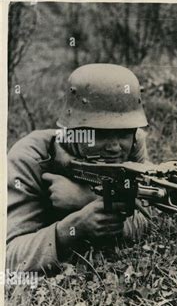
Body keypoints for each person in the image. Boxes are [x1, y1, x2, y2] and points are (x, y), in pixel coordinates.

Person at [7, 63, 150, 273]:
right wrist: (71, 230)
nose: (114, 147)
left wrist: (88, 200)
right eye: (99, 134)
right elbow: (9, 258)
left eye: (123, 132)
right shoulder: (30, 157)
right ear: (71, 128)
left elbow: (147, 218)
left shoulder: (134, 145)